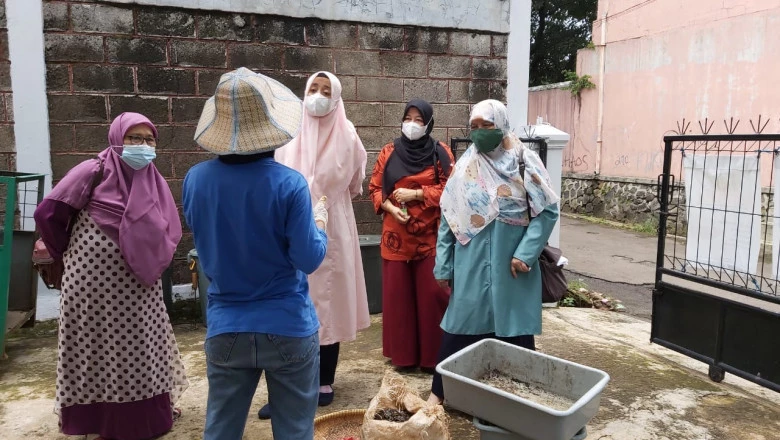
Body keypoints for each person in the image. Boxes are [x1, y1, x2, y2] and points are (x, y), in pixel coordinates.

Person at [183, 67, 329, 440]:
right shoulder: (290, 184)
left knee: (221, 430)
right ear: (270, 126)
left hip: (226, 325)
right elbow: (309, 259)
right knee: (295, 430)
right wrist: (321, 226)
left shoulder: (195, 180)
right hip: (287, 324)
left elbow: (208, 238)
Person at [33, 112, 188, 439]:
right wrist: (66, 253)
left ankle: (146, 419)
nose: (143, 146)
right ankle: (96, 421)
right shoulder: (93, 170)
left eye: (149, 140)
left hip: (138, 288)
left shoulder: (153, 180)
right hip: (92, 290)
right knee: (97, 349)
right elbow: (48, 213)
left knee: (142, 348)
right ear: (117, 139)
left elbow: (165, 232)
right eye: (134, 138)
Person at [427, 99, 560, 405]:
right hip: (470, 261)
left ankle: (517, 401)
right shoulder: (464, 166)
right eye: (474, 127)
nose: (480, 133)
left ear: (501, 125)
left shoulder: (524, 160)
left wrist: (525, 254)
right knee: (460, 327)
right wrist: (444, 265)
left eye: (487, 126)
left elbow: (548, 211)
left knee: (514, 334)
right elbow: (449, 217)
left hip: (511, 264)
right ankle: (438, 395)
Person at [264, 71, 369, 417]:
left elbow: (356, 182)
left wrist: (326, 199)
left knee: (328, 301)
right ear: (304, 91)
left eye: (327, 90)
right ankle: (286, 384)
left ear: (337, 97)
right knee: (288, 301)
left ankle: (324, 380)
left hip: (333, 221)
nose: (319, 96)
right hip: (288, 219)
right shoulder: (289, 129)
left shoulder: (348, 133)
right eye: (314, 88)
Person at [368, 99, 454, 373]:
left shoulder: (441, 153)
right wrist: (392, 207)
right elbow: (375, 189)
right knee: (398, 299)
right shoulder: (388, 152)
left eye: (419, 119)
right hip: (396, 238)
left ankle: (432, 358)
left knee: (432, 296)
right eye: (409, 118)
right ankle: (403, 357)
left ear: (429, 123)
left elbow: (452, 191)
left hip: (431, 237)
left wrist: (417, 194)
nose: (413, 124)